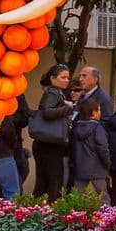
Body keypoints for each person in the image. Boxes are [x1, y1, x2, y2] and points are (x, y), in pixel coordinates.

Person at [28, 64, 73, 199]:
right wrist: (68, 107)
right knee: (53, 181)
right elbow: (47, 112)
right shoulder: (53, 93)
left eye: (67, 78)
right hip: (49, 145)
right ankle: (50, 212)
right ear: (53, 79)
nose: (66, 80)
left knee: (44, 181)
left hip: (46, 143)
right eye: (63, 77)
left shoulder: (55, 92)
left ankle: (38, 211)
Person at [69, 98, 111, 200]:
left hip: (80, 167)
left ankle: (75, 215)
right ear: (93, 112)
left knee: (76, 197)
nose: (100, 113)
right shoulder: (98, 128)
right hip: (97, 168)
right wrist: (108, 163)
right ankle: (106, 216)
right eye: (99, 110)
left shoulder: (76, 128)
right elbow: (103, 148)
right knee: (103, 197)